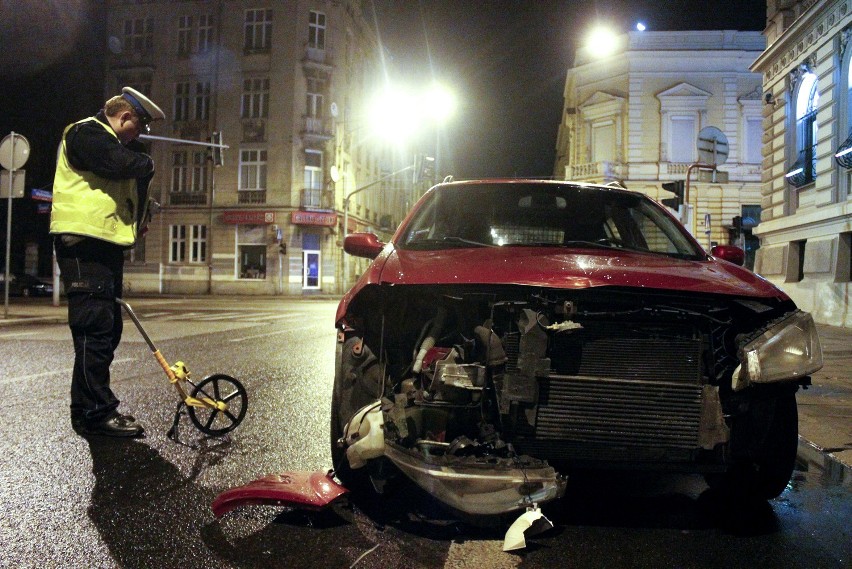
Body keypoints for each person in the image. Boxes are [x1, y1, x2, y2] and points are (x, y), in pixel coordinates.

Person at [51, 87, 165, 437]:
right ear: (125, 116)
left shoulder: (112, 144)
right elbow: (116, 163)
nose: (141, 135)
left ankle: (85, 410)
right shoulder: (86, 133)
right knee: (95, 330)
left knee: (105, 330)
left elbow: (123, 188)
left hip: (103, 246)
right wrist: (145, 163)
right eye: (140, 127)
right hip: (83, 244)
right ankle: (97, 413)